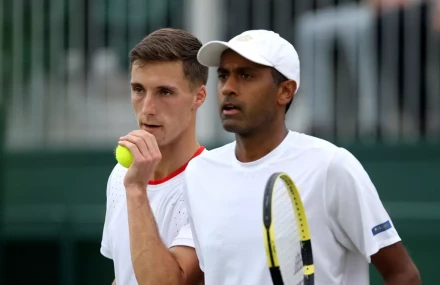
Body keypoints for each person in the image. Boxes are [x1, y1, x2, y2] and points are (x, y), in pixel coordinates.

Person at [183, 29, 421, 285]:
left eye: (246, 75)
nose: (228, 88)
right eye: (223, 76)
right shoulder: (199, 172)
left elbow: (403, 275)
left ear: (285, 91)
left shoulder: (331, 166)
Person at [100, 28, 208, 285]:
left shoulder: (212, 182)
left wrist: (136, 189)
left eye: (165, 92)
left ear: (199, 97)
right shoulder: (121, 174)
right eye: (138, 89)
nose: (147, 108)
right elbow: (124, 275)